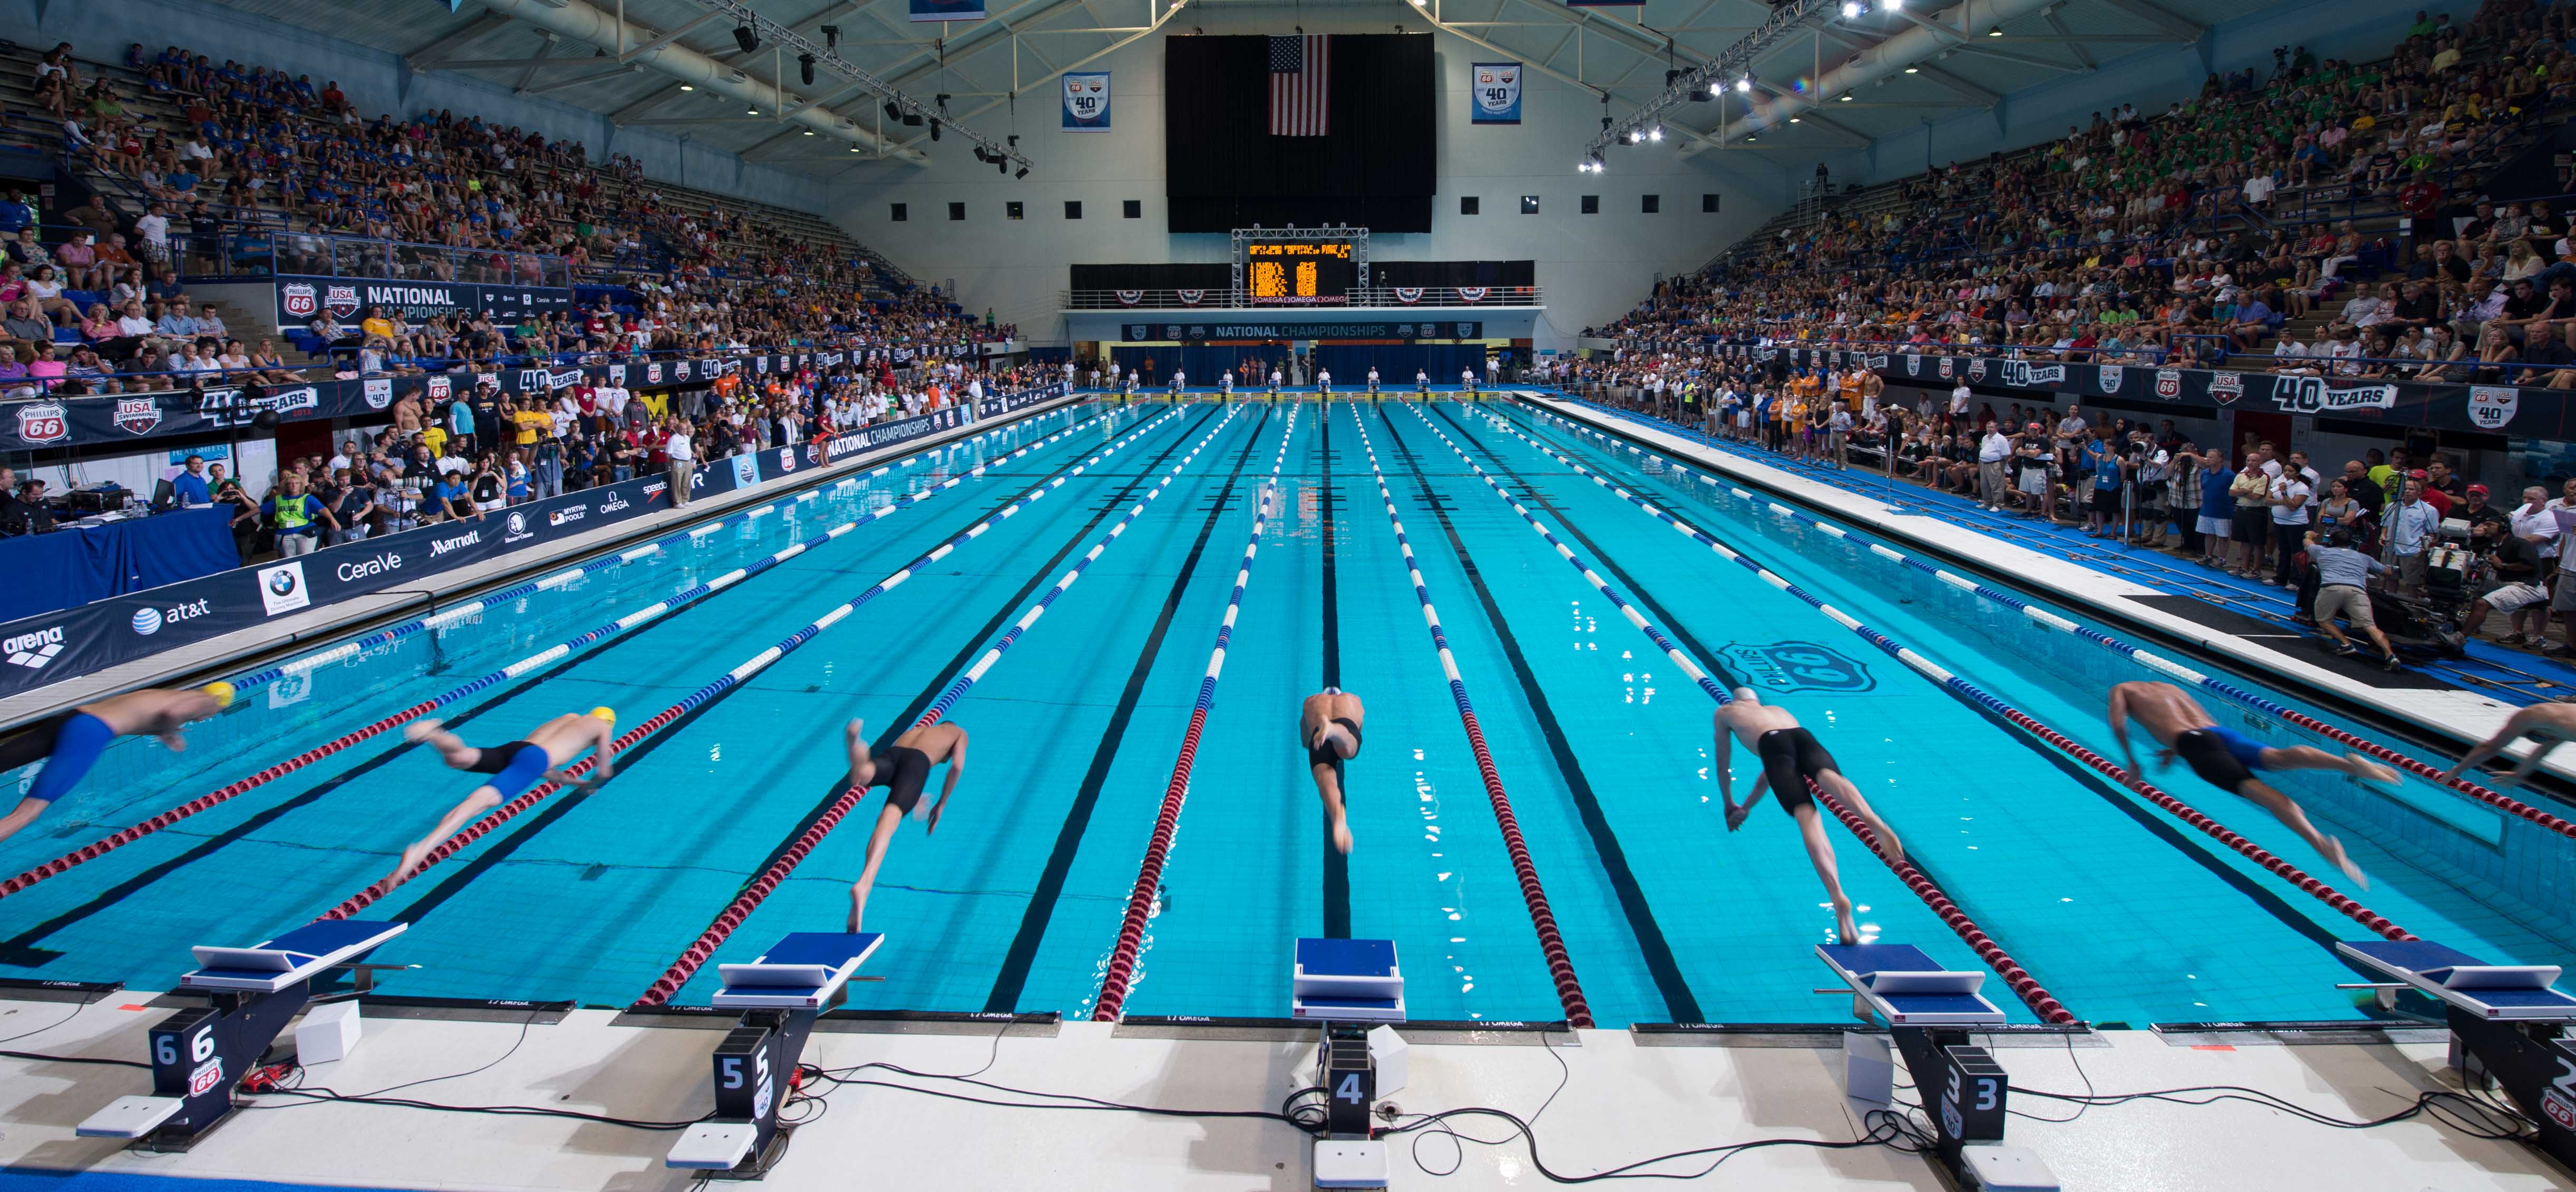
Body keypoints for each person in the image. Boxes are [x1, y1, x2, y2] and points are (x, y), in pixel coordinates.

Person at [2105, 681, 2389, 887]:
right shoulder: (2170, 687)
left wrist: (2132, 761)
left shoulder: (2122, 689)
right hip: (2216, 733)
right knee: (2279, 758)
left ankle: (2322, 845)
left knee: (2262, 794)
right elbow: (2202, 728)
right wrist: (2178, 749)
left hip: (2192, 742)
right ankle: (2350, 765)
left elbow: (2118, 724)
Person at [1714, 688, 1901, 945]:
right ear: (1756, 701)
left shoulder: (1726, 712)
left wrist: (1729, 803)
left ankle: (1838, 897)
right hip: (1803, 738)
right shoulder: (1779, 712)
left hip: (1771, 745)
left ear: (1736, 701)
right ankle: (1871, 818)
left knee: (1807, 815)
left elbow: (1724, 763)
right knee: (1829, 777)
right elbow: (1773, 770)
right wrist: (1747, 807)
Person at [387, 709, 620, 890]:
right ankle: (419, 851)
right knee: (473, 806)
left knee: (459, 758)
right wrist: (592, 784)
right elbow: (603, 772)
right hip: (535, 759)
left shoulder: (570, 717)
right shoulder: (602, 727)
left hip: (518, 748)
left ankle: (435, 733)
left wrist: (573, 782)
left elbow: (541, 765)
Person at [0, 685, 234, 845]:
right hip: (88, 732)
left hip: (71, 718)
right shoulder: (206, 701)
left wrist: (163, 730)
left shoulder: (169, 694)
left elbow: (151, 713)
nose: (206, 717)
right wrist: (169, 733)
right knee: (26, 814)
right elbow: (172, 713)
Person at [838, 716, 970, 931]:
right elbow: (956, 767)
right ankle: (864, 885)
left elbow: (902, 768)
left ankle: (855, 743)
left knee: (862, 774)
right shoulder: (959, 733)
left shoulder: (919, 729)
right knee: (888, 821)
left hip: (894, 755)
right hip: (917, 765)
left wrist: (914, 795)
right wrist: (942, 803)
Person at [2306, 530, 2403, 670]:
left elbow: (2308, 544)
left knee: (2324, 620)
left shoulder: (2321, 551)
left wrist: (2309, 535)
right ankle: (2391, 655)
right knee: (2370, 626)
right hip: (2357, 591)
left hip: (2331, 588)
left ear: (2332, 542)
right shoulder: (2363, 557)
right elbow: (2387, 572)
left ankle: (2346, 644)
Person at [2442, 703, 2576, 790]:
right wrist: (2519, 774)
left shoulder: (2534, 714)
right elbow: (2542, 751)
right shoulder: (2558, 731)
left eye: (2543, 738)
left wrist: (2456, 771)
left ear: (2536, 730)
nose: (2549, 740)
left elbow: (2490, 748)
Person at [1301, 688, 1365, 853]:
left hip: (1318, 734)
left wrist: (1310, 744)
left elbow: (1305, 740)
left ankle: (1337, 814)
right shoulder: (1354, 700)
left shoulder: (1310, 702)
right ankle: (1335, 731)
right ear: (1339, 693)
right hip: (1346, 725)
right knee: (1349, 748)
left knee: (1325, 780)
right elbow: (1359, 727)